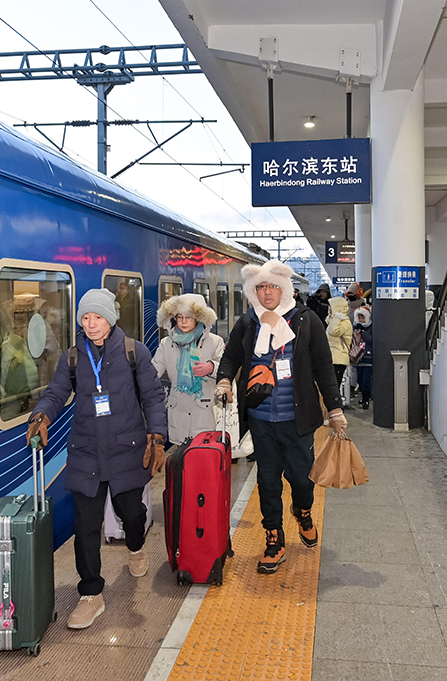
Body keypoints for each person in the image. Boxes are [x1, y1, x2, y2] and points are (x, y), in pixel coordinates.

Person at [26, 288, 167, 630]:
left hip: (126, 448)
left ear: (111, 319)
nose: (91, 324)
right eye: (86, 318)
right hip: (86, 450)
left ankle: (135, 547)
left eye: (98, 317)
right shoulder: (73, 357)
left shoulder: (134, 352)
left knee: (132, 514)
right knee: (85, 527)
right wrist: (42, 415)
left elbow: (151, 395)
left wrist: (158, 435)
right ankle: (91, 593)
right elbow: (57, 391)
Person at [215, 261, 346, 574]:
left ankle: (302, 510)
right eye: (260, 287)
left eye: (272, 286)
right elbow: (231, 356)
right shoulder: (248, 322)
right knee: (267, 481)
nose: (266, 292)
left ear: (284, 289)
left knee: (302, 480)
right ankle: (274, 538)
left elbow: (323, 368)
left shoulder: (306, 321)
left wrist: (336, 409)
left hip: (298, 420)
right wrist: (223, 380)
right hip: (260, 420)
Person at [151, 294, 224, 446]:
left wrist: (211, 367)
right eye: (180, 317)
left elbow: (225, 369)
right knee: (182, 461)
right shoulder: (166, 343)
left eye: (189, 317)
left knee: (203, 459)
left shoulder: (215, 341)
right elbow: (153, 371)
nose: (183, 322)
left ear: (198, 318)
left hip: (205, 412)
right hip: (178, 411)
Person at [326, 296, 353, 404]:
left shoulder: (344, 322)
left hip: (339, 358)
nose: (329, 309)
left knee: (334, 386)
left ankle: (336, 409)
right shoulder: (334, 321)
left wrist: (336, 318)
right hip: (333, 357)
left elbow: (334, 332)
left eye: (331, 307)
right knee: (330, 386)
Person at [352, 303, 373, 409]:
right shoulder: (354, 327)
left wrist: (363, 332)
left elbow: (371, 340)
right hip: (358, 358)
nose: (360, 319)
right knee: (359, 379)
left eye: (362, 317)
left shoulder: (372, 328)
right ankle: (363, 396)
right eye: (359, 317)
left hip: (368, 358)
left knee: (366, 380)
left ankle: (366, 398)